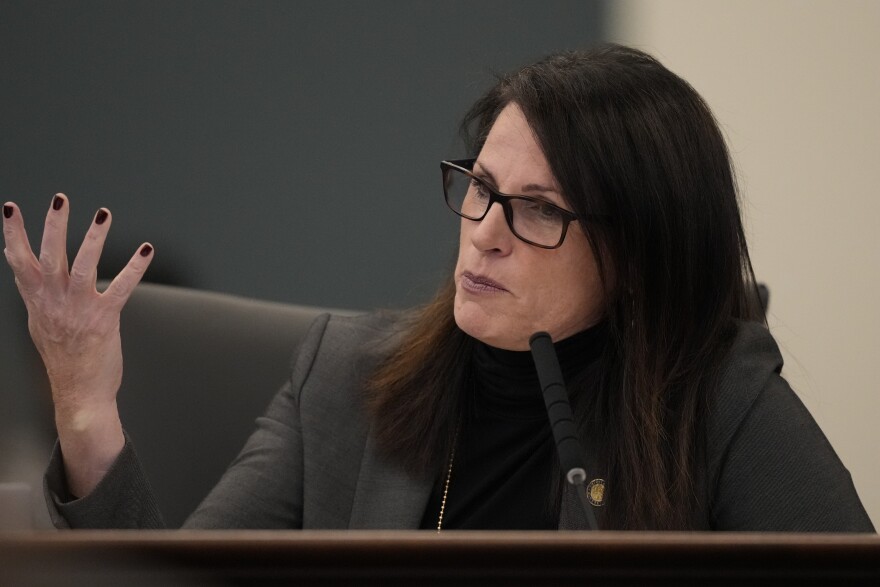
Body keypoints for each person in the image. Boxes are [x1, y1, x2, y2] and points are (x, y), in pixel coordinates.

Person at [2, 44, 873, 531]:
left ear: (638, 253)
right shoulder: (344, 382)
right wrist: (85, 406)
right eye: (482, 188)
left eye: (538, 210)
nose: (485, 230)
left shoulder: (715, 397)